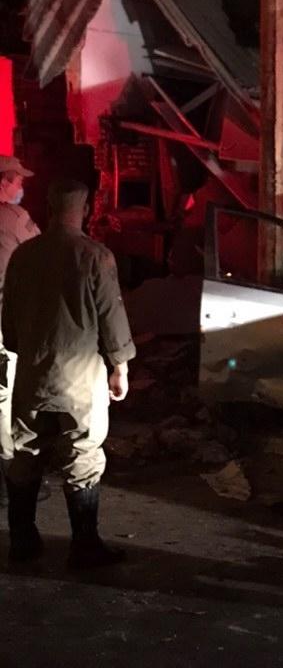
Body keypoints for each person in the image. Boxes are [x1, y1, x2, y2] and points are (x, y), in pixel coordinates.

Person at [2, 179, 136, 568]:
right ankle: (84, 546)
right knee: (82, 455)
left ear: (47, 204)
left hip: (31, 375)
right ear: (88, 208)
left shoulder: (24, 256)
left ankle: (23, 542)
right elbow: (112, 316)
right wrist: (120, 367)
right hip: (80, 380)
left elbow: (9, 324)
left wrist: (24, 352)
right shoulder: (96, 256)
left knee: (25, 453)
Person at [0, 155, 39, 504]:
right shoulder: (14, 218)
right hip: (2, 316)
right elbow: (41, 250)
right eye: (18, 181)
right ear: (3, 183)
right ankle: (8, 471)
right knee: (3, 394)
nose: (21, 188)